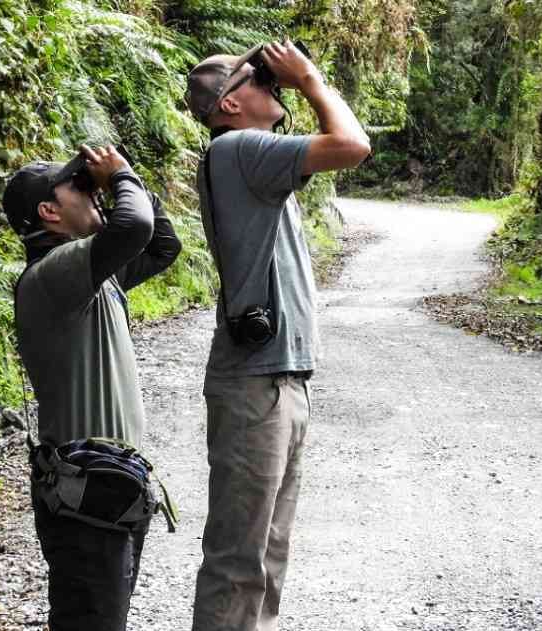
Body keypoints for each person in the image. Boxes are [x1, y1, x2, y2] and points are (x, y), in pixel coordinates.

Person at [184, 41, 371, 630]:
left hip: (278, 378)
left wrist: (297, 81)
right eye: (260, 80)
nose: (274, 86)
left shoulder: (253, 157)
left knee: (267, 553)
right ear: (230, 104)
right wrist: (310, 78)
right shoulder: (238, 149)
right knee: (240, 559)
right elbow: (353, 145)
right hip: (256, 383)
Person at [4, 145, 182, 631]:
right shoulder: (56, 272)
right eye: (81, 188)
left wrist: (125, 176)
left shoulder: (90, 276)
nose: (94, 194)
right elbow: (136, 227)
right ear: (49, 211)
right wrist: (120, 175)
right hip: (86, 488)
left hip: (107, 485)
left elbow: (162, 246)